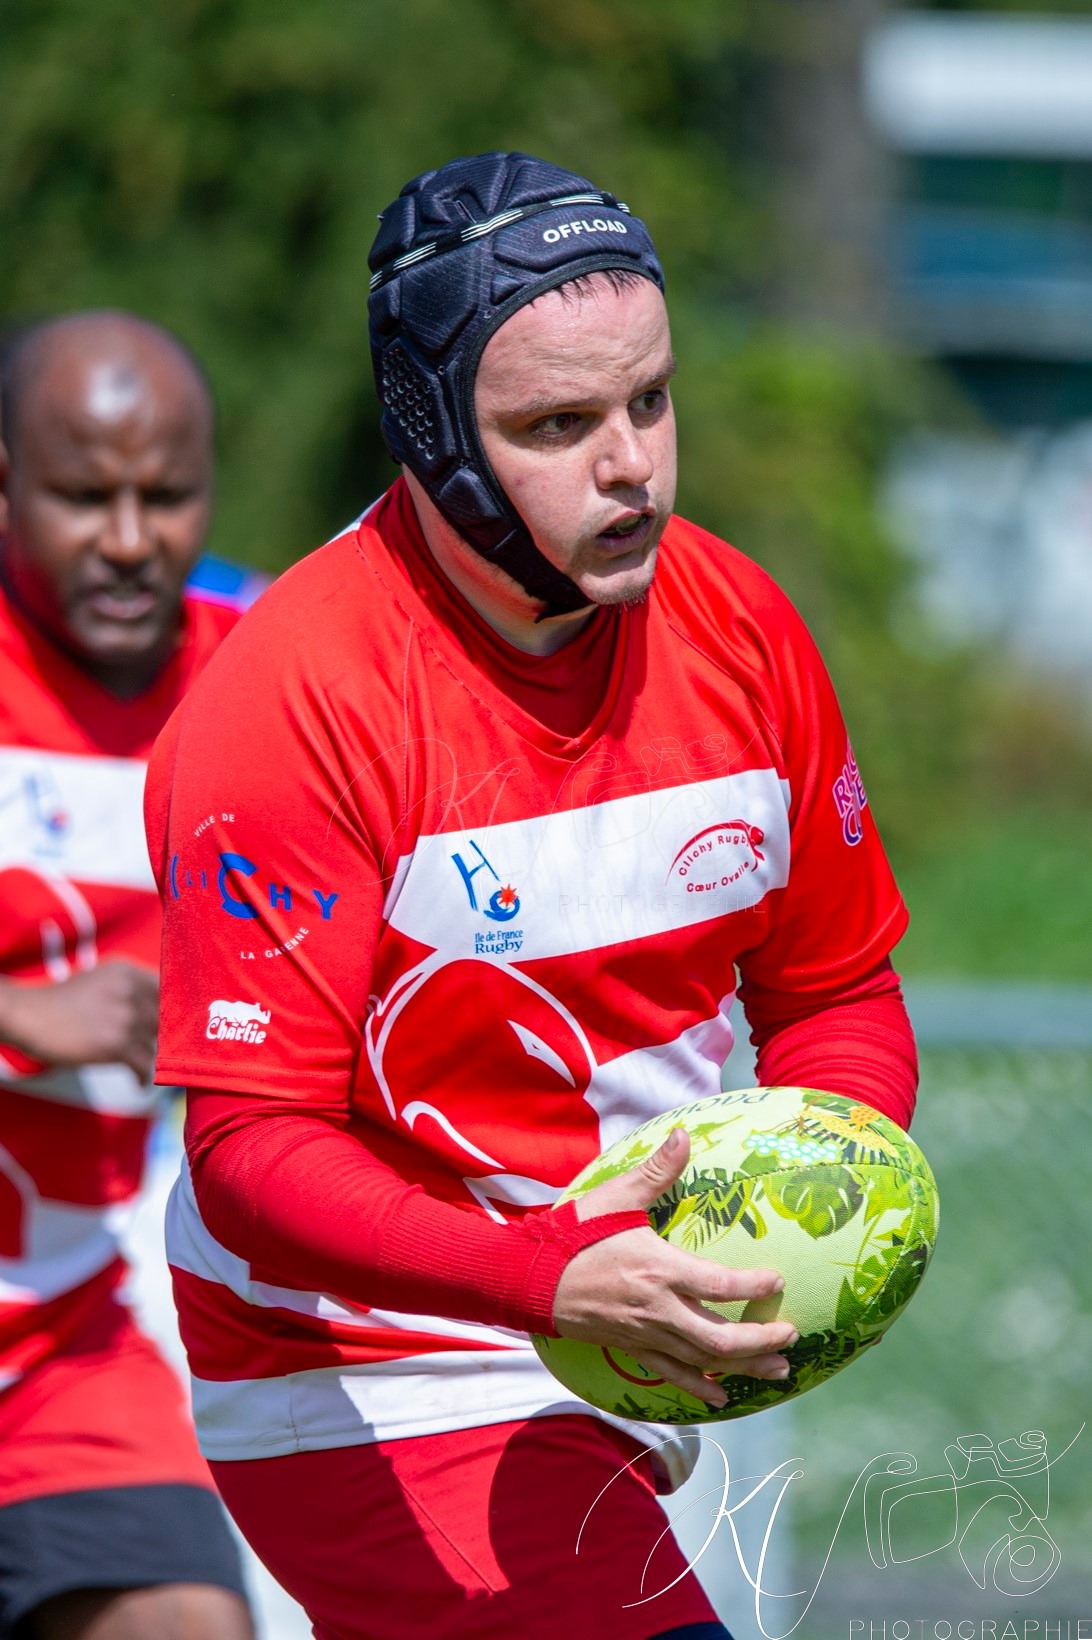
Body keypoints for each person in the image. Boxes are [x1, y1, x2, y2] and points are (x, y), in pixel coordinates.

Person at [146, 153, 919, 1640]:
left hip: (619, 1330)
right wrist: (544, 1275)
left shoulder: (745, 628)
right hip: (371, 1371)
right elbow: (250, 1150)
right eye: (558, 426)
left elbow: (834, 994)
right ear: (432, 431)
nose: (632, 466)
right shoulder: (296, 695)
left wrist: (823, 1191)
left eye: (652, 401)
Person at [0, 312, 253, 1640]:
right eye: (84, 496)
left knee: (187, 1620)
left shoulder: (261, 681)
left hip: (63, 1344)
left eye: (167, 496)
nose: (130, 539)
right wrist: (16, 1016)